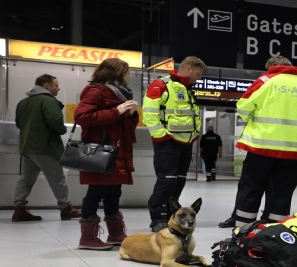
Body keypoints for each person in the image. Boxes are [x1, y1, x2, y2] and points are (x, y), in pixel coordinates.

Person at [232, 55, 297, 227]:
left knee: (251, 188)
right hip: (294, 152)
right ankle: (274, 233)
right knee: (283, 193)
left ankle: (243, 232)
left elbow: (243, 107)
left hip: (261, 148)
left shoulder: (265, 80)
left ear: (271, 68)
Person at [74, 58, 139, 250]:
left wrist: (131, 114)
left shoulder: (119, 93)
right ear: (118, 73)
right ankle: (87, 237)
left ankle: (116, 233)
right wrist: (117, 110)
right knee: (95, 192)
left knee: (113, 193)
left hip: (115, 151)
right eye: (127, 72)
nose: (130, 76)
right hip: (100, 152)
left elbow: (120, 124)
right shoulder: (97, 91)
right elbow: (82, 117)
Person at [142, 56, 206, 232]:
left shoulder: (187, 90)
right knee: (166, 182)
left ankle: (170, 217)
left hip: (185, 144)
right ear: (188, 69)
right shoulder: (161, 85)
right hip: (167, 143)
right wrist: (161, 135)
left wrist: (193, 136)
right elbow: (149, 112)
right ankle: (157, 219)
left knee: (178, 183)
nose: (198, 78)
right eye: (198, 73)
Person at [12, 74, 81, 222]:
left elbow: (19, 123)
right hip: (45, 147)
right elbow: (56, 121)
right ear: (47, 86)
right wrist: (62, 129)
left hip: (27, 147)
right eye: (56, 85)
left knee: (26, 178)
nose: (58, 87)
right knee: (57, 178)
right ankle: (65, 208)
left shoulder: (24, 102)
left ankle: (19, 209)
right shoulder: (49, 101)